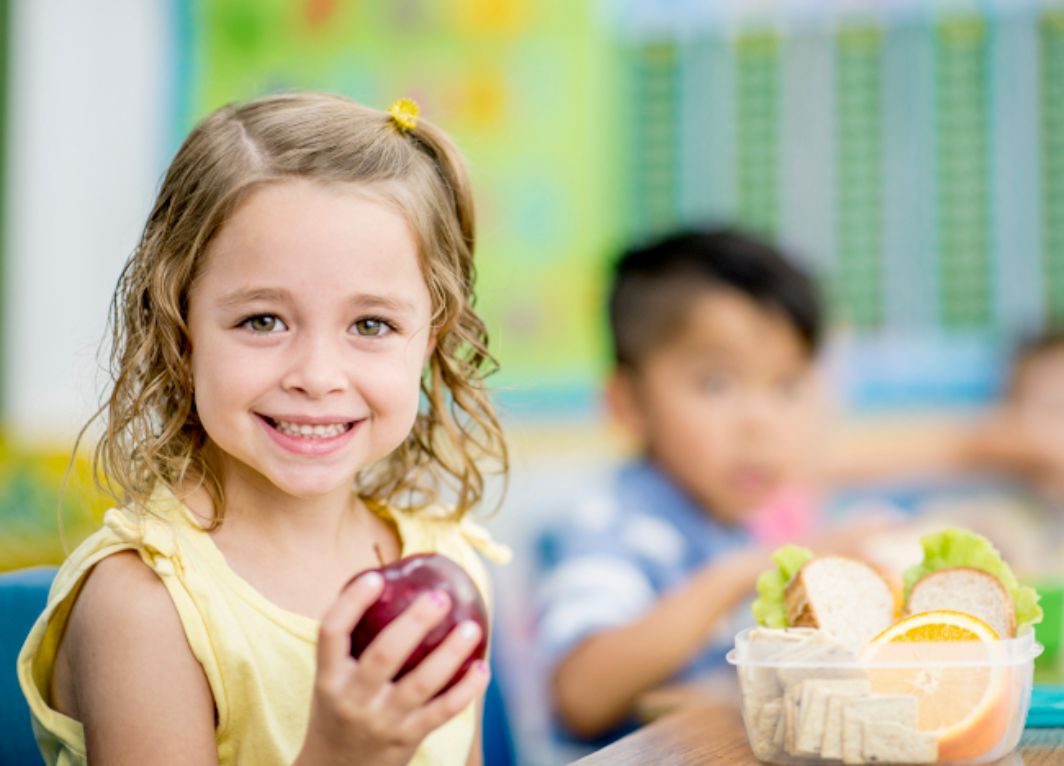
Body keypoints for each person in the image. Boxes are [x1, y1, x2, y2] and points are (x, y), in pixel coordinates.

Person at [17, 93, 511, 766]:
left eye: (371, 325)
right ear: (179, 331)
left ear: (431, 340)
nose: (317, 374)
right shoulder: (146, 607)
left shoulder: (450, 565)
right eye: (262, 321)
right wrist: (342, 754)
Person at [536, 229, 882, 744]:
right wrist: (747, 569)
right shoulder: (615, 523)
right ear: (628, 403)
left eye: (787, 386)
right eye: (716, 384)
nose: (760, 422)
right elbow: (580, 695)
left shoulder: (726, 522)